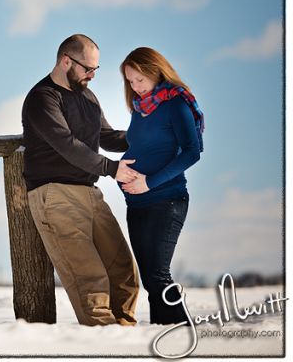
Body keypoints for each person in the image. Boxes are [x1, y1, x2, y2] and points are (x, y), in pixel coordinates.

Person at [22, 34, 140, 326]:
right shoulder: (42, 98)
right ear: (65, 61)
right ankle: (104, 347)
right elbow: (68, 145)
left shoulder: (86, 96)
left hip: (89, 192)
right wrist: (112, 169)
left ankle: (126, 339)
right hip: (55, 194)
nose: (92, 75)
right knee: (90, 278)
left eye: (96, 69)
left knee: (123, 269)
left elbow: (106, 136)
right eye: (88, 68)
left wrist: (149, 137)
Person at [118, 47, 203, 325]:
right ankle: (162, 336)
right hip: (137, 204)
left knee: (158, 275)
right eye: (130, 81)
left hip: (167, 200)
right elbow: (140, 148)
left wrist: (148, 182)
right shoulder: (139, 110)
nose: (135, 87)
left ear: (156, 72)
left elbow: (192, 151)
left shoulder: (175, 105)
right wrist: (123, 174)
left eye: (140, 80)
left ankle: (181, 334)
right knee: (150, 281)